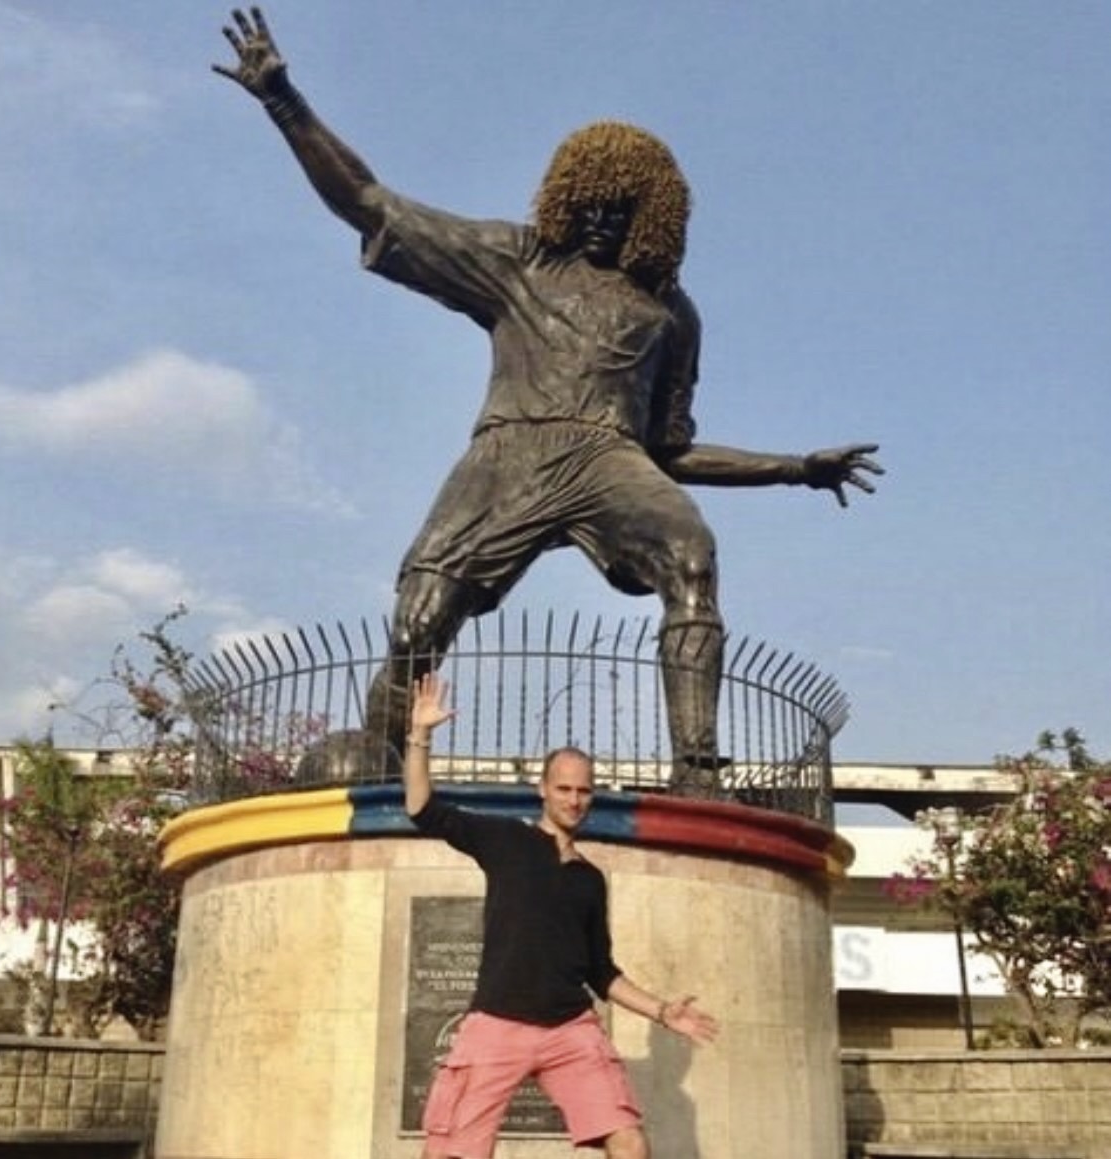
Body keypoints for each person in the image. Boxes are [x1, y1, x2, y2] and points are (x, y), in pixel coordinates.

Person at [214, 8, 884, 790]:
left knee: (691, 556)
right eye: (591, 203)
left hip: (609, 459)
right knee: (419, 619)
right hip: (510, 450)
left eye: (621, 209)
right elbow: (369, 202)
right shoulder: (518, 261)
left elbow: (668, 451)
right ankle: (382, 746)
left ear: (651, 216)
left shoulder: (670, 312)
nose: (602, 220)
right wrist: (284, 101)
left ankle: (698, 767)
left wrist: (796, 467)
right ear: (568, 197)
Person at [404, 673, 716, 1159]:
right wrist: (420, 735)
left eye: (584, 791)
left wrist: (662, 1011)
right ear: (543, 790)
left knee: (630, 1143)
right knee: (449, 1152)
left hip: (570, 1029)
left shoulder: (590, 879)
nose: (574, 800)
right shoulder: (505, 840)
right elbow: (422, 809)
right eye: (564, 788)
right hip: (497, 1024)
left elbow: (600, 971)